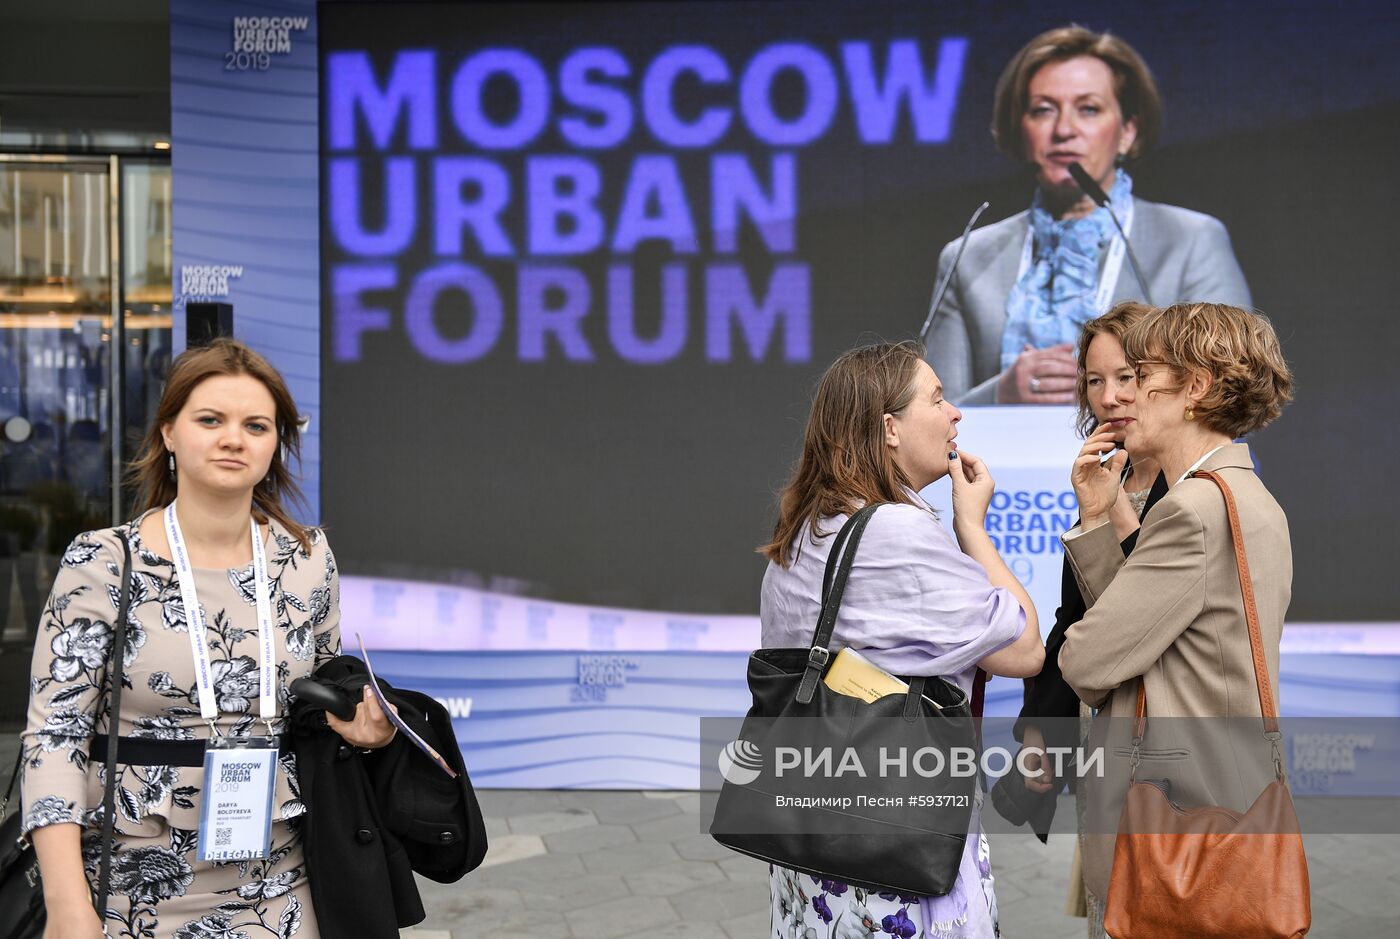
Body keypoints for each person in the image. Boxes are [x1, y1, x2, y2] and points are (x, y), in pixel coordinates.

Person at [20, 339, 394, 939]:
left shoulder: (307, 556)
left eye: (256, 425)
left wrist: (363, 730)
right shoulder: (104, 561)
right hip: (126, 888)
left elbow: (318, 703)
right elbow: (54, 738)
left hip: (279, 879)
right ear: (169, 433)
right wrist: (68, 906)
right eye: (210, 420)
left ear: (275, 445)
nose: (233, 438)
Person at [760, 341, 1044, 938]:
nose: (955, 414)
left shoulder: (805, 528)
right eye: (937, 398)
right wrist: (972, 527)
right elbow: (1024, 650)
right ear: (889, 429)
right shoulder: (896, 532)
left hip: (813, 840)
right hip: (895, 843)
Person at [1057, 301, 1294, 908]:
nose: (1124, 396)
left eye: (1143, 373)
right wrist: (1097, 519)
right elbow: (1146, 634)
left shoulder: (1190, 511)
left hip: (1179, 809)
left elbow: (1088, 659)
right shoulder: (1249, 496)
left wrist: (1095, 528)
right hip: (1228, 792)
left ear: (1197, 386)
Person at [927, 26, 1252, 405]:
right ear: (1022, 130)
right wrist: (1000, 394)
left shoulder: (1190, 241)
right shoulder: (968, 257)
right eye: (1043, 110)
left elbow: (1233, 395)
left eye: (1088, 109)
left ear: (1128, 131)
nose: (1064, 130)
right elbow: (931, 412)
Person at [998, 302, 1167, 937]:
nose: (1109, 397)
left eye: (1126, 376)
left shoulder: (1196, 486)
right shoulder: (1103, 472)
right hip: (1107, 730)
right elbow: (1075, 618)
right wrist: (1042, 735)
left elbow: (1140, 617)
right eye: (1094, 381)